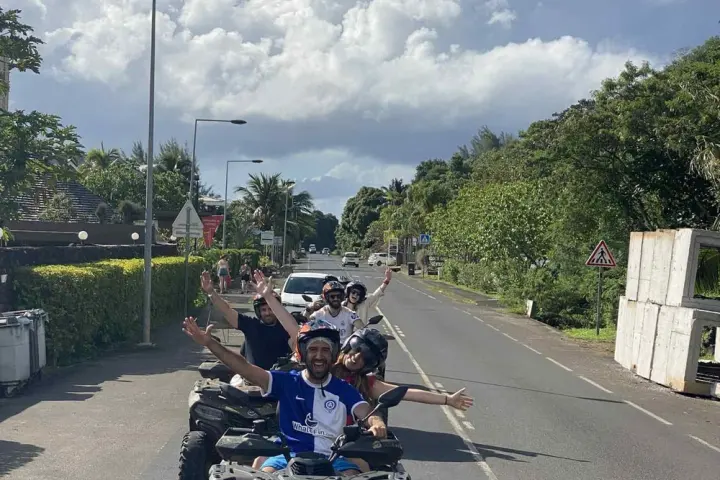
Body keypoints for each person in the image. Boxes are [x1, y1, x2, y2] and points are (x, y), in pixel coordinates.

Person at [182, 316, 387, 475]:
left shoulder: (344, 389)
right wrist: (210, 343)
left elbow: (366, 412)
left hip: (334, 457)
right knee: (263, 474)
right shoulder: (286, 381)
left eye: (325, 350)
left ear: (333, 355)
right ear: (303, 353)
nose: (319, 355)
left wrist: (377, 423)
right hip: (286, 455)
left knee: (356, 474)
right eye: (313, 349)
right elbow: (244, 368)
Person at [333, 328, 474, 413]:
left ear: (369, 365)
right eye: (356, 350)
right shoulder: (325, 366)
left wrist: (447, 399)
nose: (356, 357)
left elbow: (407, 393)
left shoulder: (364, 384)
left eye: (365, 357)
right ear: (348, 345)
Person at [200, 271, 297, 371]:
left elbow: (298, 338)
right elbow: (227, 310)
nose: (267, 313)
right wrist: (211, 292)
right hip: (251, 381)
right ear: (258, 311)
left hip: (280, 379)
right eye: (264, 310)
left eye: (271, 309)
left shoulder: (287, 328)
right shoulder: (251, 324)